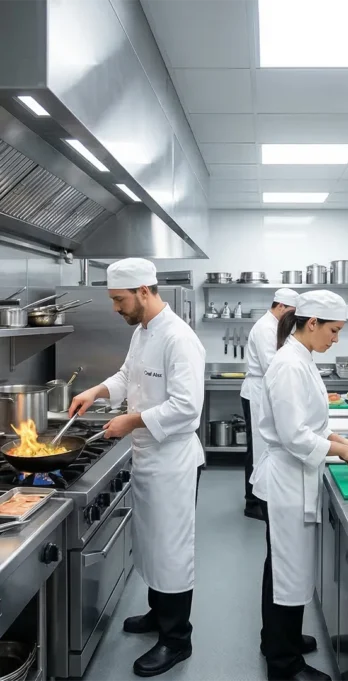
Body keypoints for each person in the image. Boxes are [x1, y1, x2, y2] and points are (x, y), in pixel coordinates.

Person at [69, 258, 205, 677]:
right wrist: (97, 390)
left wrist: (131, 420)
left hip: (173, 460)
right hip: (147, 455)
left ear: (144, 291)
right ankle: (157, 614)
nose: (115, 308)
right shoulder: (144, 332)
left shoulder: (180, 339)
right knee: (148, 542)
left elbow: (187, 407)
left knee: (171, 549)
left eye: (119, 300)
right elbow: (129, 375)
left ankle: (176, 639)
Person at [252, 291, 348, 681]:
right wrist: (342, 454)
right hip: (288, 480)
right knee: (287, 570)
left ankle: (278, 639)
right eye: (334, 331)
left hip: (296, 476)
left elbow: (311, 426)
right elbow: (294, 436)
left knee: (286, 568)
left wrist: (344, 442)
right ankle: (283, 665)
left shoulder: (301, 357)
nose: (335, 339)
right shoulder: (289, 364)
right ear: (312, 324)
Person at [240, 288, 299, 521]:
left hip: (262, 390)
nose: (292, 319)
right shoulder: (266, 327)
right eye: (291, 312)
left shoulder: (273, 325)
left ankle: (258, 497)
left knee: (260, 447)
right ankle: (253, 502)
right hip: (257, 392)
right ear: (281, 307)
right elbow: (272, 365)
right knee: (257, 448)